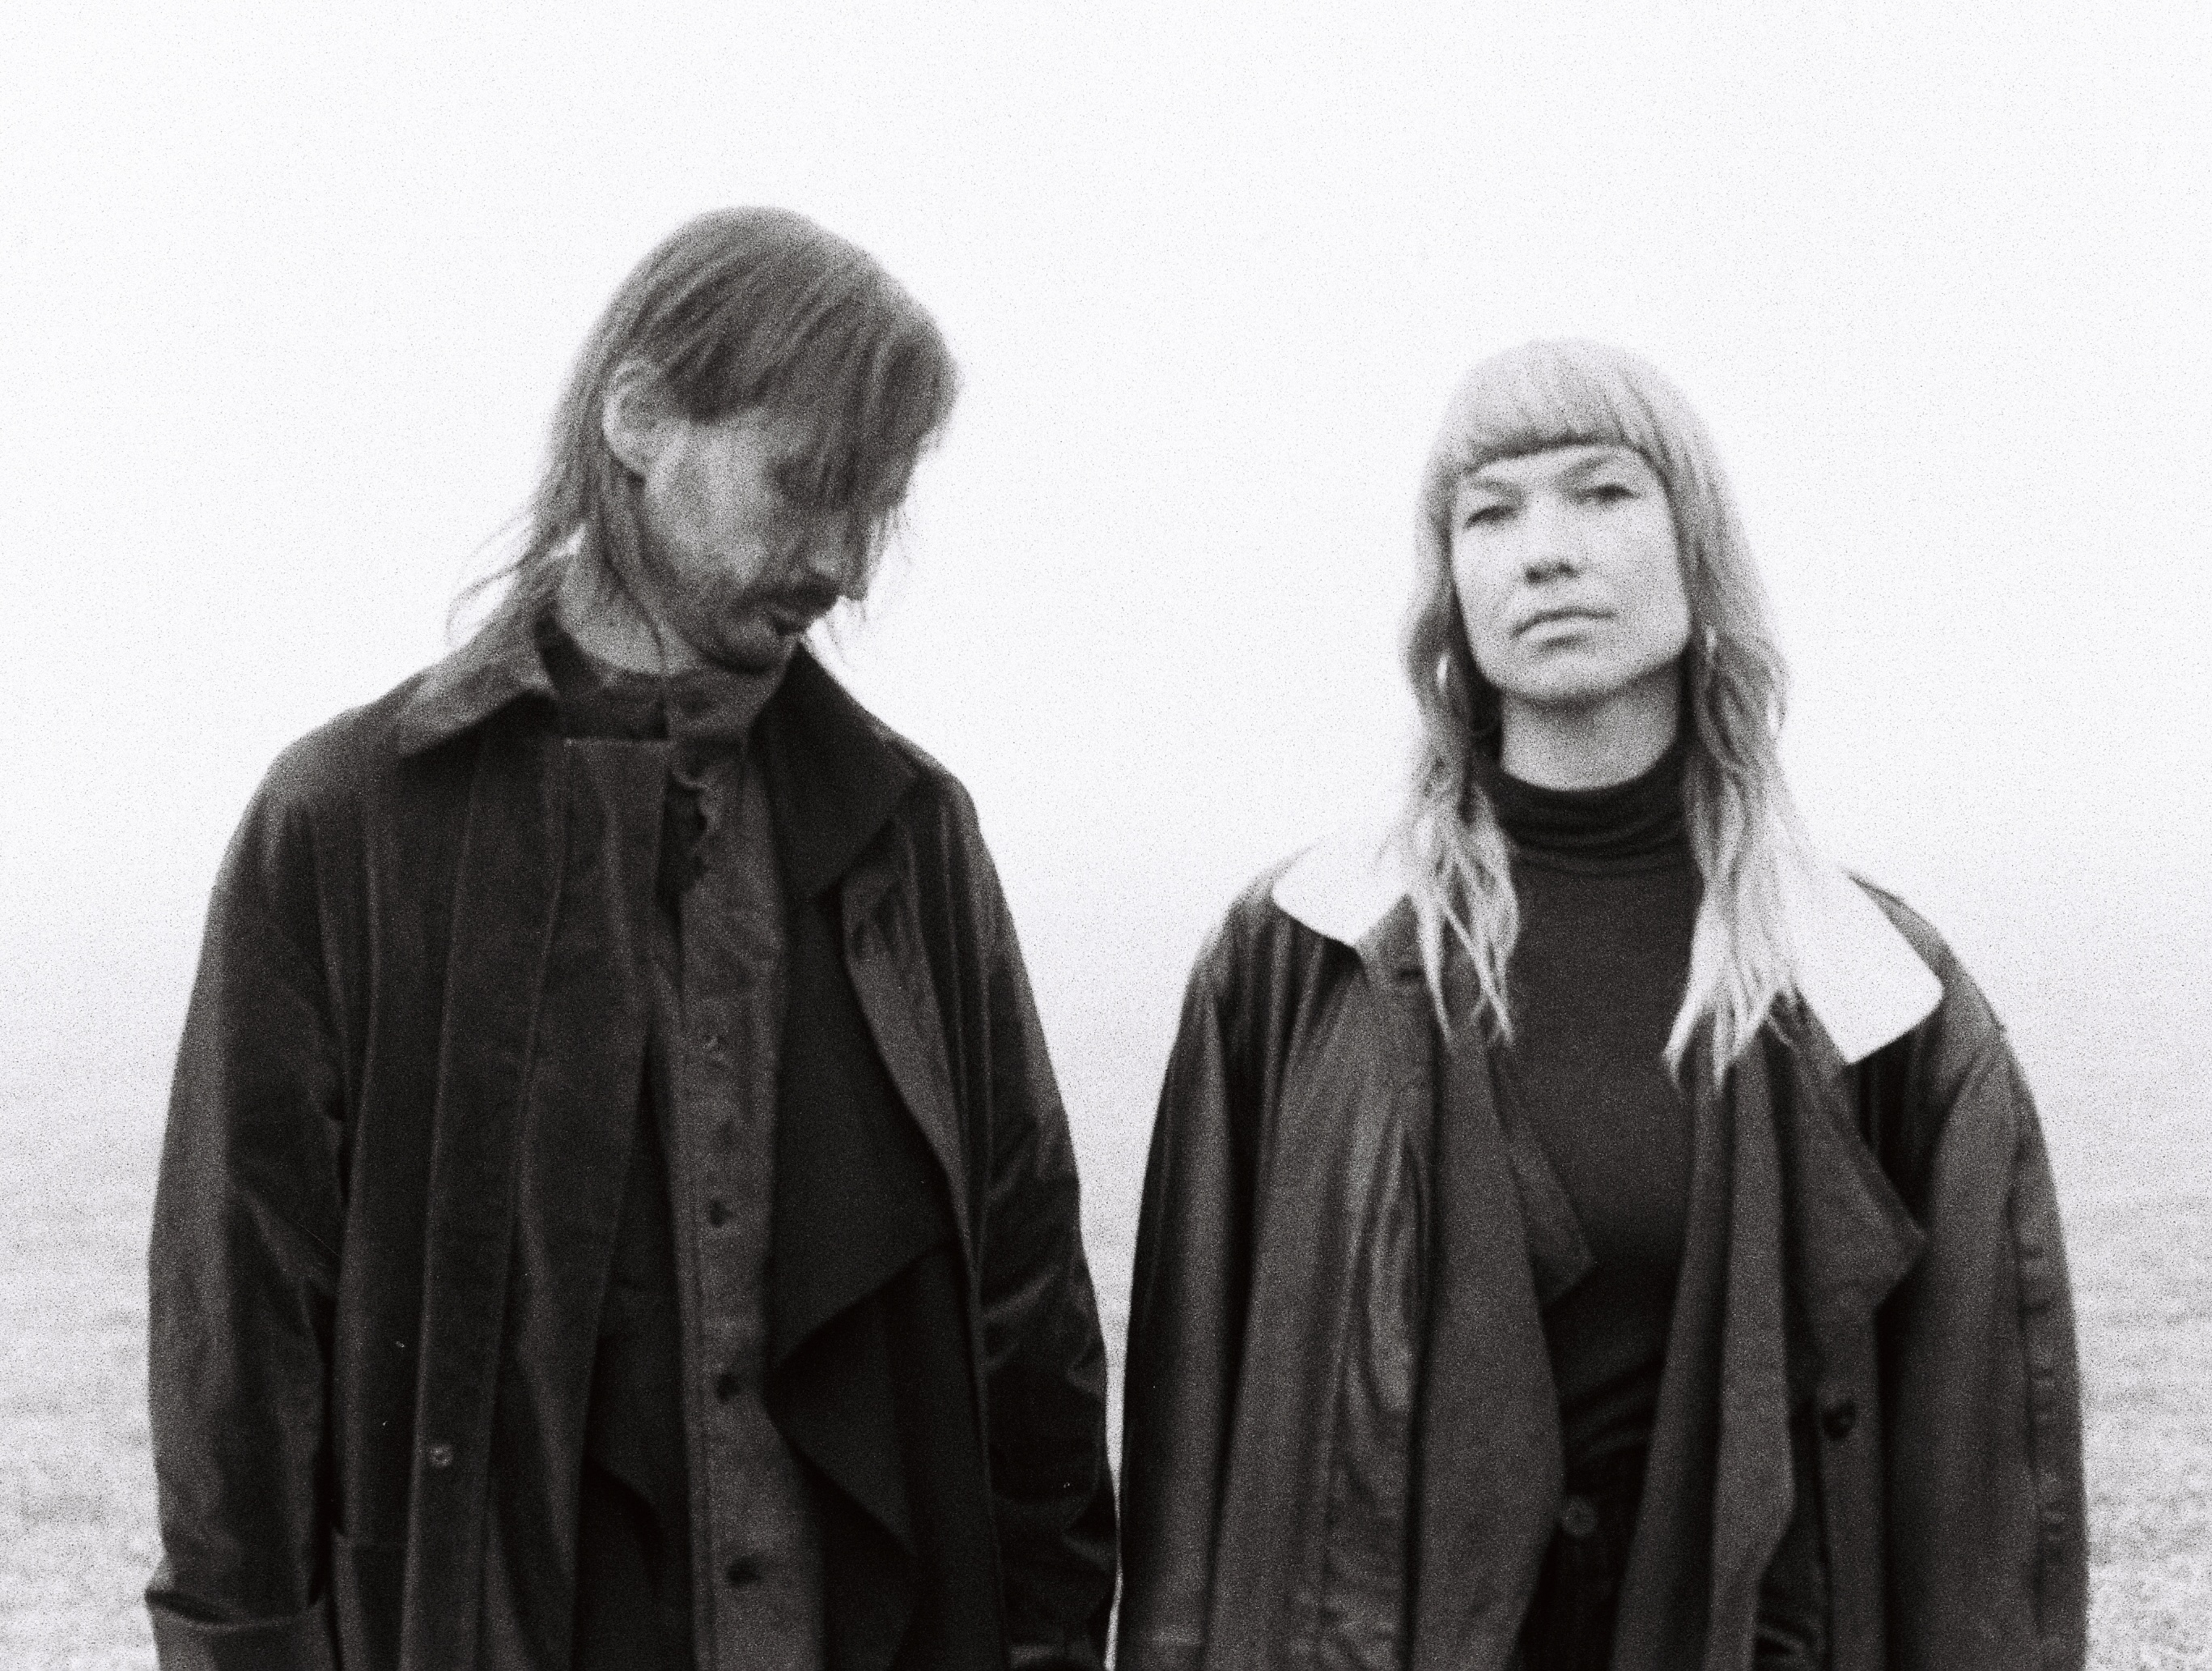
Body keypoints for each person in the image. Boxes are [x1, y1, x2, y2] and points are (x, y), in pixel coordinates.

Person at [147, 208, 1117, 1671]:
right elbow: (236, 1346)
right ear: (641, 417)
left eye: (875, 509)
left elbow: (1028, 1314)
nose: (845, 564)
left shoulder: (908, 836)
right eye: (806, 485)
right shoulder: (346, 826)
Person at [1115, 340, 2084, 1671]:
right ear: (1447, 581)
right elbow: (1187, 1449)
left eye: (1602, 492)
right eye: (1490, 512)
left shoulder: (1873, 996)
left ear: (1697, 541)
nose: (1544, 552)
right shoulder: (1297, 957)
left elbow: (1982, 1508)